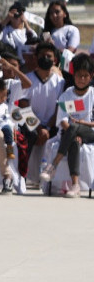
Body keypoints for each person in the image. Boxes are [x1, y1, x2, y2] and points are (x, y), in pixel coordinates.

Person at [40, 54, 94, 198]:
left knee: (74, 129)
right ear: (73, 75)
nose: (82, 79)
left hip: (91, 133)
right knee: (75, 140)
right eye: (78, 75)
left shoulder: (93, 95)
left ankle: (53, 164)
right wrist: (73, 130)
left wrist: (80, 125)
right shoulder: (67, 95)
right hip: (70, 133)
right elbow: (62, 121)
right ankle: (75, 185)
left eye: (85, 76)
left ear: (91, 76)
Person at [19, 42, 65, 186]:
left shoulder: (60, 82)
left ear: (55, 60)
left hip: (52, 127)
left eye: (49, 56)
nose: (45, 58)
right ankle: (22, 176)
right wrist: (39, 129)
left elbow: (60, 108)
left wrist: (47, 129)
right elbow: (23, 107)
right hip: (31, 126)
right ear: (36, 57)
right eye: (42, 55)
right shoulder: (28, 79)